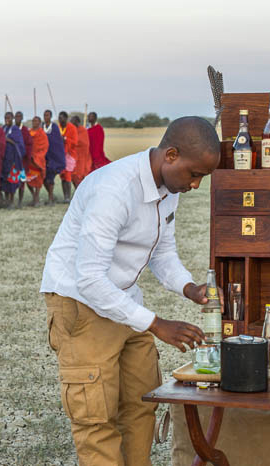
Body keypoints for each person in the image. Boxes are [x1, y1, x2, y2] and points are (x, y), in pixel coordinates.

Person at [40, 116, 221, 465]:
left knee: (141, 405)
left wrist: (189, 288)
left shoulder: (170, 189)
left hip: (122, 302)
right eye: (194, 174)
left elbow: (162, 252)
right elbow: (90, 279)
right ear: (170, 155)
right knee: (97, 418)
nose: (196, 185)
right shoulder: (114, 189)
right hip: (80, 305)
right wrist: (156, 324)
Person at [1, 111, 26, 209]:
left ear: (12, 119)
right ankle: (6, 201)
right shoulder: (3, 128)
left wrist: (8, 140)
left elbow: (19, 143)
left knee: (12, 181)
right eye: (5, 118)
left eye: (9, 118)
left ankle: (11, 202)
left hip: (13, 160)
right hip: (5, 159)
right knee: (5, 181)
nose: (7, 120)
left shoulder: (15, 129)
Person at [42, 110, 66, 206]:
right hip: (44, 157)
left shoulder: (54, 127)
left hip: (54, 157)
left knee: (50, 178)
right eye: (44, 115)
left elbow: (57, 143)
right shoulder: (42, 127)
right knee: (44, 179)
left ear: (50, 116)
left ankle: (51, 199)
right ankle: (51, 196)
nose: (45, 117)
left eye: (47, 115)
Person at [25, 116, 48, 207]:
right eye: (33, 121)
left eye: (36, 121)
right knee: (28, 179)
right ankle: (34, 196)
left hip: (37, 160)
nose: (34, 122)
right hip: (28, 160)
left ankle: (37, 198)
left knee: (38, 180)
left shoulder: (42, 134)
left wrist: (36, 157)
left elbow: (44, 147)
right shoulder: (28, 132)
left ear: (39, 122)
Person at [58, 111, 78, 203]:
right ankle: (65, 196)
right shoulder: (58, 128)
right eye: (59, 118)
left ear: (66, 118)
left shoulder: (72, 128)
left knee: (68, 176)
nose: (60, 119)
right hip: (61, 154)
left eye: (61, 118)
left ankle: (68, 197)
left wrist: (65, 139)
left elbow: (75, 142)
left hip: (70, 154)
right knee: (62, 176)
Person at [15, 111, 33, 208]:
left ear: (22, 118)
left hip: (22, 160)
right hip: (13, 160)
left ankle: (20, 201)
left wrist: (22, 151)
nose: (17, 118)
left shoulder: (25, 130)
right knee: (12, 180)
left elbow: (29, 144)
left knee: (22, 181)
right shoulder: (12, 129)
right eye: (16, 116)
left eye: (19, 116)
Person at [70, 115, 92, 187]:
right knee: (72, 176)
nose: (71, 123)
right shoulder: (72, 130)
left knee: (79, 176)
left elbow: (84, 143)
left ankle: (80, 191)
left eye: (72, 121)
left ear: (77, 122)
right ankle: (77, 191)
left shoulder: (82, 130)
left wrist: (69, 140)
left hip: (81, 157)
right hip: (73, 157)